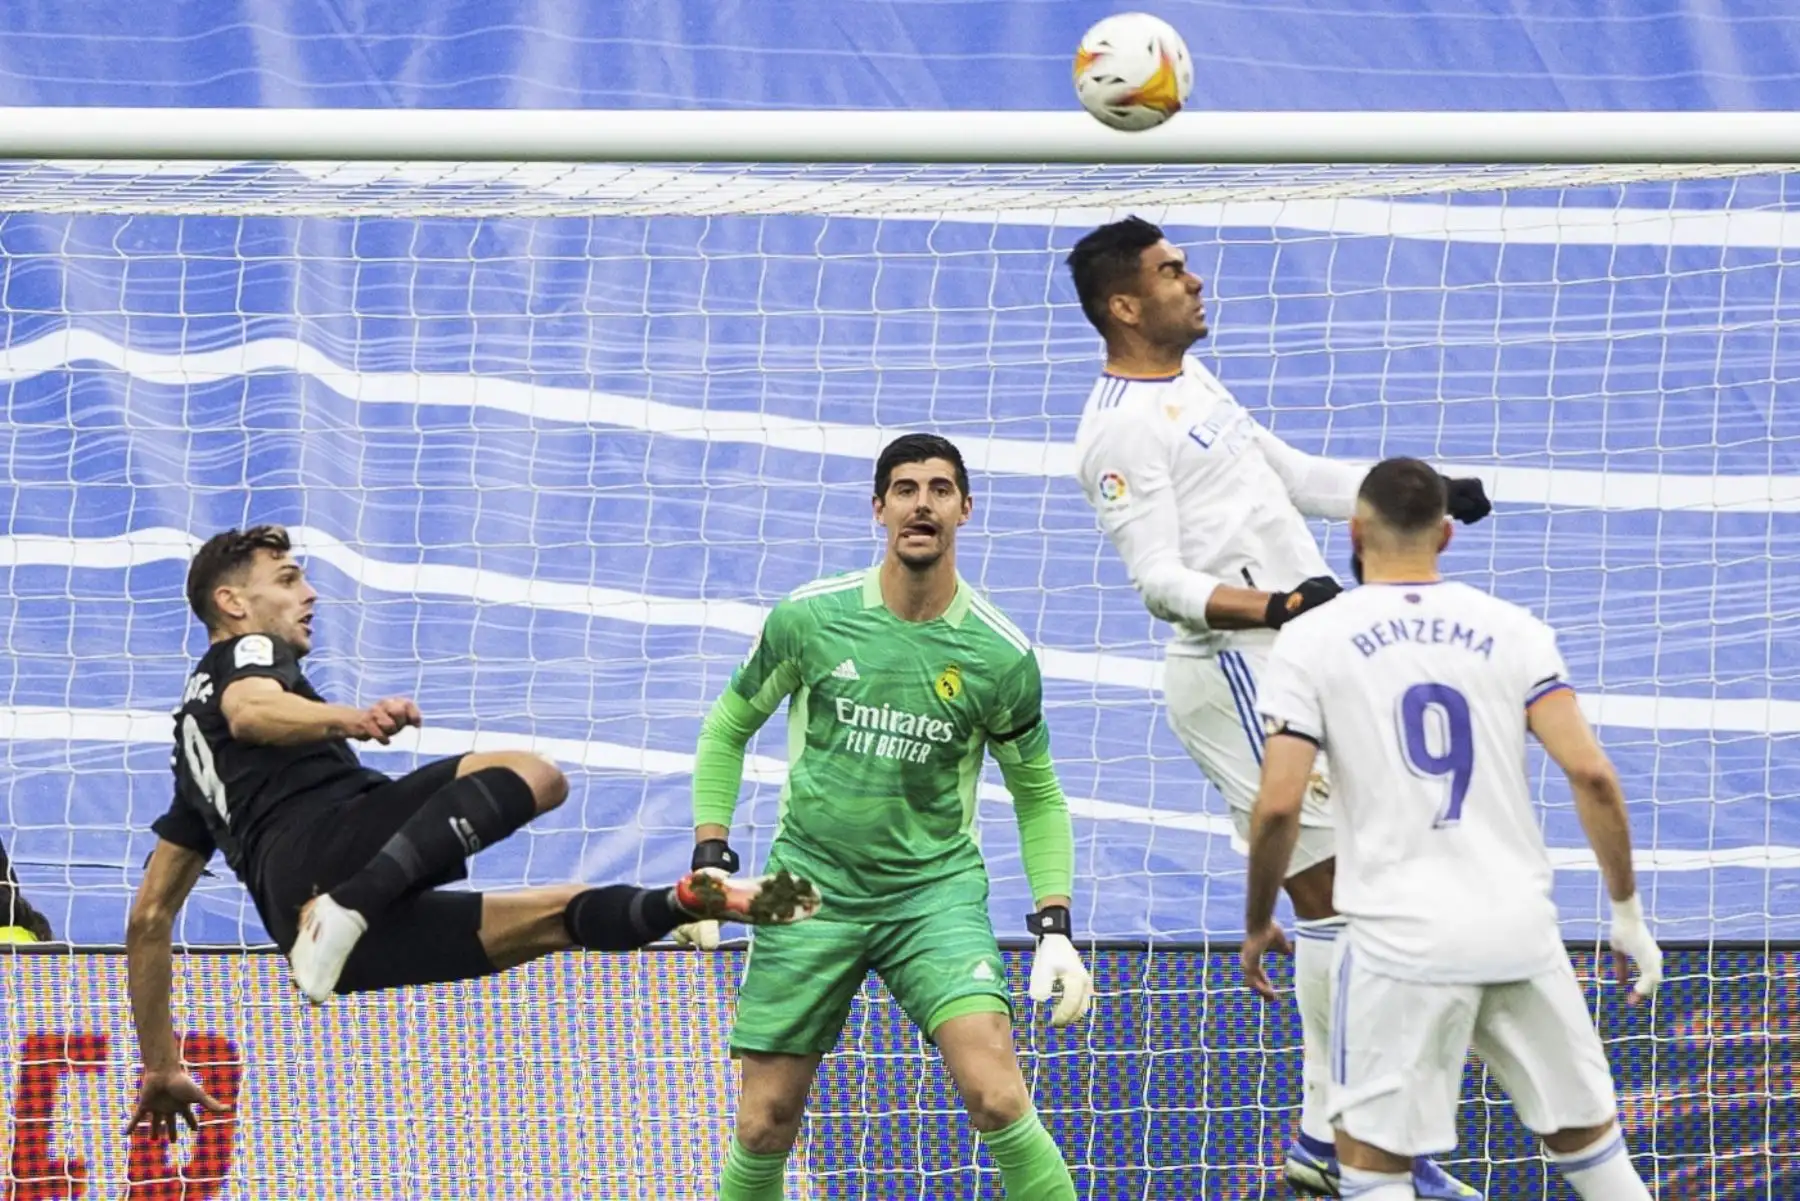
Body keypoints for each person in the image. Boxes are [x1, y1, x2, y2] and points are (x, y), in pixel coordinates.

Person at [124, 524, 819, 1141]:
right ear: (232, 603)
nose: (308, 592)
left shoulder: (193, 750)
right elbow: (252, 708)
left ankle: (685, 904)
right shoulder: (244, 655)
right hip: (333, 858)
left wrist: (160, 1061)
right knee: (534, 773)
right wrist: (352, 718)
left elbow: (150, 916)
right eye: (288, 578)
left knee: (554, 918)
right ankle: (349, 905)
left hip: (305, 928)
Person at [1067, 215, 1490, 1199]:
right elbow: (1160, 579)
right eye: (1172, 270)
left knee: (1367, 899)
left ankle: (1333, 1140)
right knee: (1336, 902)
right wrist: (1280, 602)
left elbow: (1293, 478)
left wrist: (1423, 493)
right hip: (1237, 671)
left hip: (1299, 654)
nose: (1195, 280)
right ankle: (1350, 1148)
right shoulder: (1118, 430)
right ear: (1125, 303)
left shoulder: (1190, 386)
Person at [677, 434, 1094, 1201]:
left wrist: (1056, 923)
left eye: (940, 488)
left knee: (998, 1095)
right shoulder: (810, 619)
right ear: (879, 509)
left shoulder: (1001, 656)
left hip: (933, 896)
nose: (922, 502)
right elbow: (727, 726)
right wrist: (713, 853)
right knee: (763, 1122)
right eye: (904, 488)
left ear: (965, 509)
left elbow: (1038, 793)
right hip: (802, 889)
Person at [1242, 457, 1663, 1201]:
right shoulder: (1514, 629)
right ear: (1444, 533)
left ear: (1354, 531)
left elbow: (1277, 805)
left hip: (1396, 946)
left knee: (1373, 1175)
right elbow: (1593, 773)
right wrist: (1627, 914)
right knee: (1604, 1169)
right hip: (1519, 935)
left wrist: (1256, 921)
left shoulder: (1312, 640)